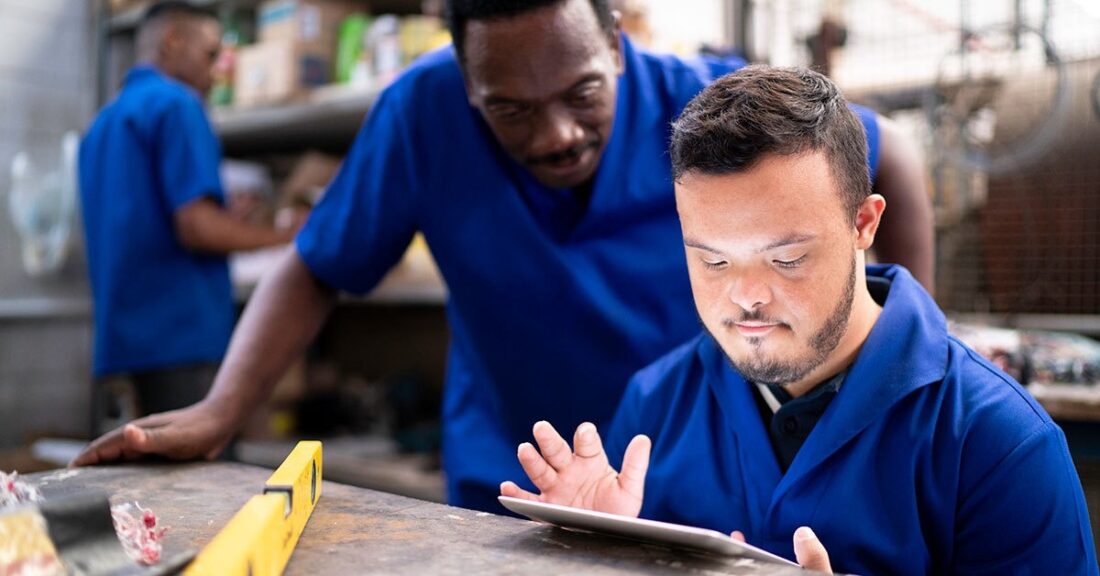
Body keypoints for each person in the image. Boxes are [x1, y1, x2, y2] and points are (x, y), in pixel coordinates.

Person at [74, 0, 933, 514]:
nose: (556, 134)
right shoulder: (421, 117)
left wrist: (903, 356)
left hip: (688, 475)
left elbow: (888, 155)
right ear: (462, 78)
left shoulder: (698, 105)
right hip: (511, 474)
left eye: (584, 95)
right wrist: (225, 409)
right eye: (510, 110)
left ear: (619, 48)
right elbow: (316, 264)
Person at [500, 65, 1096, 574]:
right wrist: (591, 556)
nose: (746, 297)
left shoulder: (999, 445)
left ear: (864, 223)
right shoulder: (655, 407)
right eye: (712, 260)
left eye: (786, 258)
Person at [78, 2, 295, 418]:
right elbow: (197, 228)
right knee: (198, 480)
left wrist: (225, 217)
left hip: (123, 344)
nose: (217, 71)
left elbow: (142, 221)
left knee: (137, 479)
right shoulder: (177, 104)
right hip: (182, 343)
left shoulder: (103, 123)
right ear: (172, 41)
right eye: (210, 54)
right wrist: (288, 237)